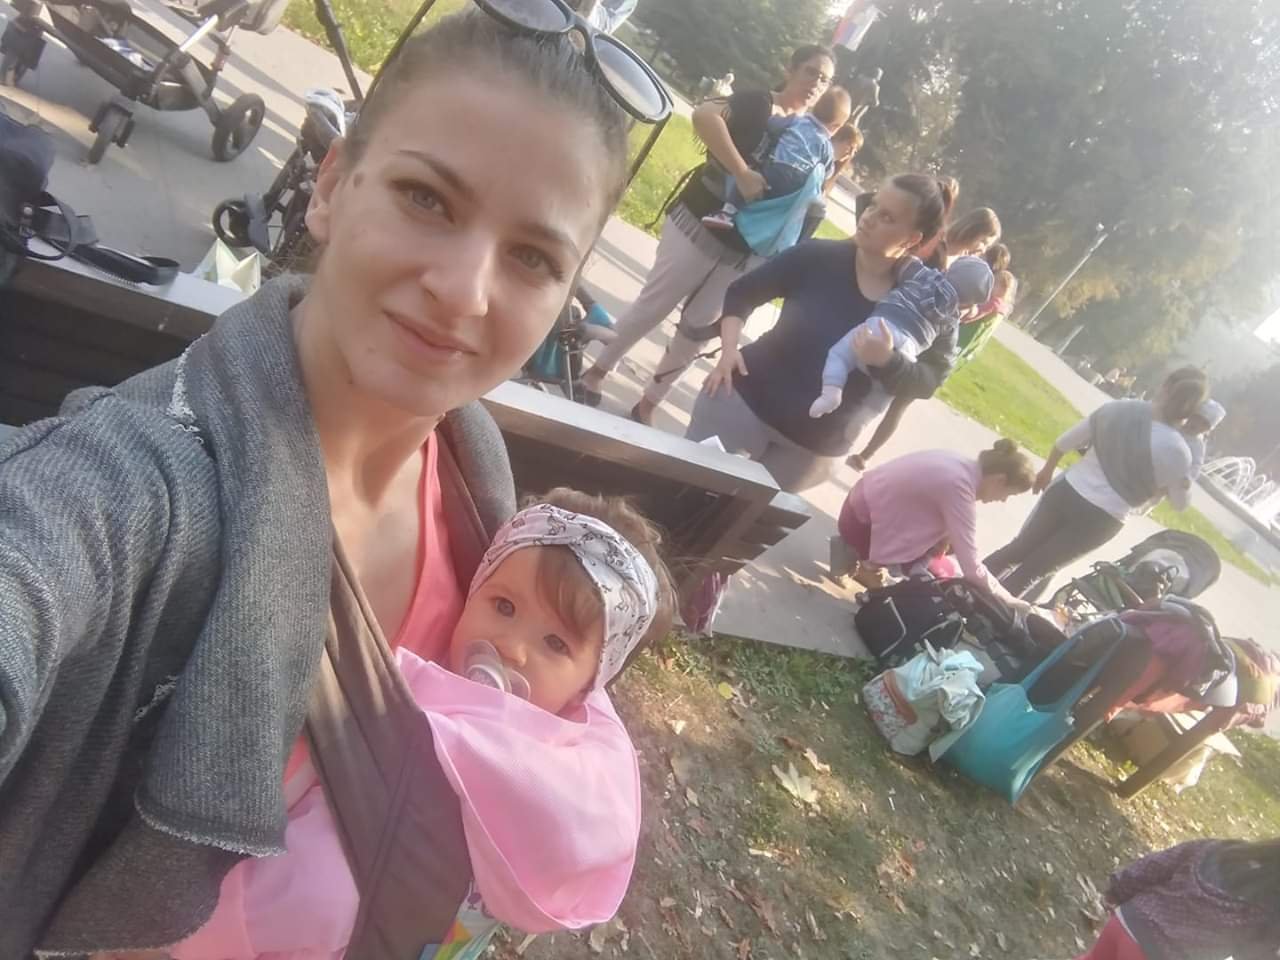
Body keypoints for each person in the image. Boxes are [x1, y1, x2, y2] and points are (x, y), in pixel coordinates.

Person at [0, 8, 650, 956]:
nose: (464, 290)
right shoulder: (139, 487)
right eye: (428, 198)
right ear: (333, 185)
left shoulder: (477, 486)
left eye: (532, 257)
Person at [172, 493, 675, 958]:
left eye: (555, 644)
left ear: (587, 689)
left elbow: (309, 894)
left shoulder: (522, 770)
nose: (512, 647)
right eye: (503, 606)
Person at [579, 44, 841, 418]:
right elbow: (704, 115)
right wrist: (742, 173)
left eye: (824, 79)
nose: (816, 83)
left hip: (746, 250)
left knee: (698, 330)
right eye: (811, 71)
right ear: (791, 69)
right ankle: (597, 371)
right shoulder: (759, 102)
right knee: (655, 304)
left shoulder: (814, 137)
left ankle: (649, 403)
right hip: (699, 221)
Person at [682, 174, 960, 493]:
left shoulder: (930, 304)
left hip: (814, 449)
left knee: (737, 521)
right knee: (680, 494)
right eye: (873, 205)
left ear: (912, 239)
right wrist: (729, 350)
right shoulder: (817, 256)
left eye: (887, 217)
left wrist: (889, 361)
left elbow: (928, 381)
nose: (869, 218)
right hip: (743, 401)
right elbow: (742, 293)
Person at [984, 367, 1210, 601]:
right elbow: (1180, 503)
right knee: (1035, 570)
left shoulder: (1118, 408)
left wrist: (1048, 469)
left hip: (1069, 490)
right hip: (1104, 517)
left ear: (1164, 386)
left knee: (1016, 550)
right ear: (1192, 410)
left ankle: (962, 588)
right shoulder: (1179, 453)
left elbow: (1065, 442)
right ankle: (984, 610)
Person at [846, 210, 1003, 470]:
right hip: (897, 322)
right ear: (975, 231)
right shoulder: (935, 245)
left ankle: (865, 452)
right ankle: (845, 433)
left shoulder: (965, 261)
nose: (983, 249)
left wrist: (966, 308)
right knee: (869, 380)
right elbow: (905, 269)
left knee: (899, 399)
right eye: (985, 241)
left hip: (926, 339)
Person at [829, 439, 1037, 604]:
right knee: (937, 562)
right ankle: (863, 560)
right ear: (1000, 480)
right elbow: (971, 566)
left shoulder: (960, 463)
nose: (1003, 500)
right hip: (861, 522)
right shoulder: (960, 487)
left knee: (944, 545)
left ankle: (864, 555)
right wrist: (1009, 599)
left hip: (859, 504)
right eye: (1008, 494)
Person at [810, 255, 994, 417]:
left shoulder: (923, 275)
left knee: (839, 355)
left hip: (877, 326)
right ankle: (861, 422)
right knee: (884, 392)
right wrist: (890, 360)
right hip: (908, 348)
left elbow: (904, 263)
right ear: (967, 305)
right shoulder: (951, 322)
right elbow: (941, 367)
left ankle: (831, 393)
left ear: (947, 270)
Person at [1077, 837, 1280, 960]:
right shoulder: (1269, 908)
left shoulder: (1222, 849)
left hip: (1128, 919)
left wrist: (1118, 891)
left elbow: (1158, 864)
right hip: (1158, 953)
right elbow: (1255, 953)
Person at [701, 86, 853, 231]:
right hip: (795, 187)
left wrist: (778, 120)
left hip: (777, 169)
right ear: (837, 126)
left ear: (815, 108)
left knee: (747, 175)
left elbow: (773, 125)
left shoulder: (796, 121)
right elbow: (827, 172)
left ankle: (727, 213)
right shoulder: (826, 147)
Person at [1182, 398, 1225, 479]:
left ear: (1207, 430)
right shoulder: (1176, 426)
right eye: (1197, 418)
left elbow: (1196, 466)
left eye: (1204, 424)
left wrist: (1187, 477)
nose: (1197, 424)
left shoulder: (1197, 445)